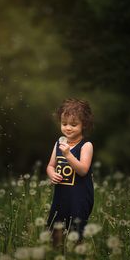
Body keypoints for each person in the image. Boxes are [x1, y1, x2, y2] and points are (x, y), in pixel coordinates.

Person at [46, 98, 94, 247]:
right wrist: (51, 173)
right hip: (61, 196)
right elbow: (50, 165)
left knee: (76, 232)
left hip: (78, 197)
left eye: (73, 124)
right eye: (64, 124)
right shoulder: (58, 143)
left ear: (83, 125)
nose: (68, 128)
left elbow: (82, 170)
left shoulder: (86, 146)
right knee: (55, 231)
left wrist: (68, 155)